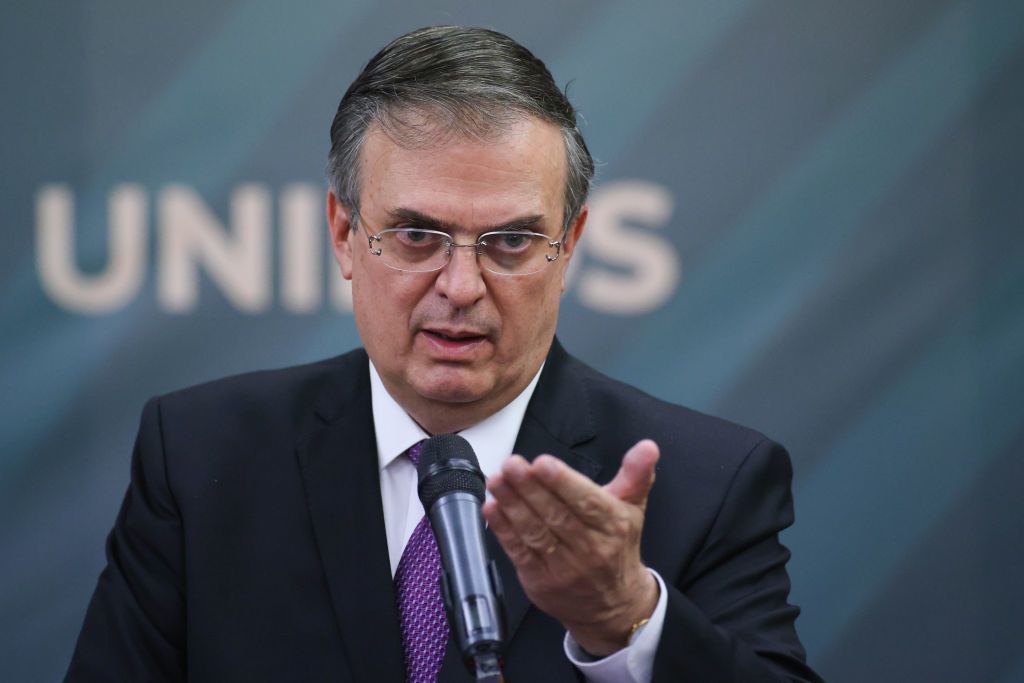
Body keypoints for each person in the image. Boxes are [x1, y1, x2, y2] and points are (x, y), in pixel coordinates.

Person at [66, 26, 822, 682]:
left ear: (570, 247)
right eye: (415, 237)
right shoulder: (201, 457)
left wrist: (626, 617)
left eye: (511, 241)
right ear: (344, 235)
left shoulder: (706, 483)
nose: (461, 287)